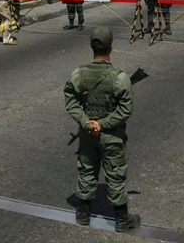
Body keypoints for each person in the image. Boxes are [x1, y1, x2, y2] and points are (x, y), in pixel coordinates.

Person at [63, 26, 141, 233]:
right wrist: (103, 124)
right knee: (115, 173)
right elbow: (126, 109)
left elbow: (70, 100)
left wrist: (86, 122)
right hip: (112, 135)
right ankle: (122, 218)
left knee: (87, 169)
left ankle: (83, 213)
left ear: (92, 47)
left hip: (88, 134)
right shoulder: (120, 77)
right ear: (111, 47)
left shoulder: (79, 74)